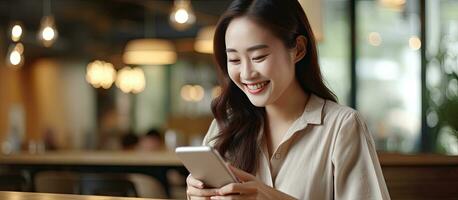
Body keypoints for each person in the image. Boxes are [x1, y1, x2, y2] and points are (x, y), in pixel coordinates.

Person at [186, 0, 391, 199]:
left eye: (259, 57)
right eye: (235, 60)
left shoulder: (342, 127)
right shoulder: (224, 128)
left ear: (298, 49)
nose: (247, 74)